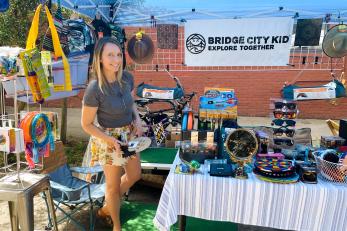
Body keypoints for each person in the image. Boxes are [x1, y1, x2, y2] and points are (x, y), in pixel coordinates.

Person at [81, 36, 143, 231]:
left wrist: (137, 119)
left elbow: (131, 102)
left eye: (118, 54)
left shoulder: (126, 78)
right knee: (113, 187)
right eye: (110, 55)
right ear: (99, 58)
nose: (116, 60)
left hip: (128, 136)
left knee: (135, 175)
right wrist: (110, 140)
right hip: (108, 139)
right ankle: (116, 226)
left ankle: (107, 208)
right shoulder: (94, 88)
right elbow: (86, 124)